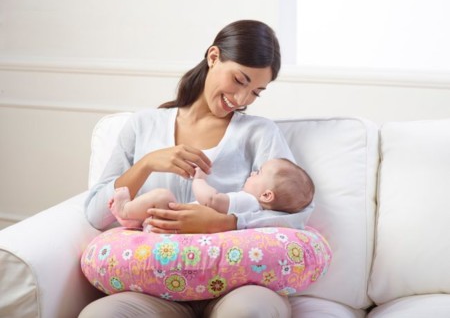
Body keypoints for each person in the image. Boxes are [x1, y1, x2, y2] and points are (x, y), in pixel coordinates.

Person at [80, 19, 315, 318]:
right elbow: (95, 214)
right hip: (156, 287)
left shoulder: (259, 133)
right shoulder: (143, 125)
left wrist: (227, 222)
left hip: (238, 286)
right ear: (213, 57)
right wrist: (147, 164)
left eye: (256, 92)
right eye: (240, 80)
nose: (242, 99)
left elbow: (297, 213)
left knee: (247, 313)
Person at [108, 158, 314, 230]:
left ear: (267, 196)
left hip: (177, 223)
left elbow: (211, 200)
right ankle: (138, 221)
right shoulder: (255, 211)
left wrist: (199, 180)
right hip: (175, 227)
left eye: (258, 173)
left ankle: (125, 210)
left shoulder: (248, 202)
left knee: (163, 197)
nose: (252, 173)